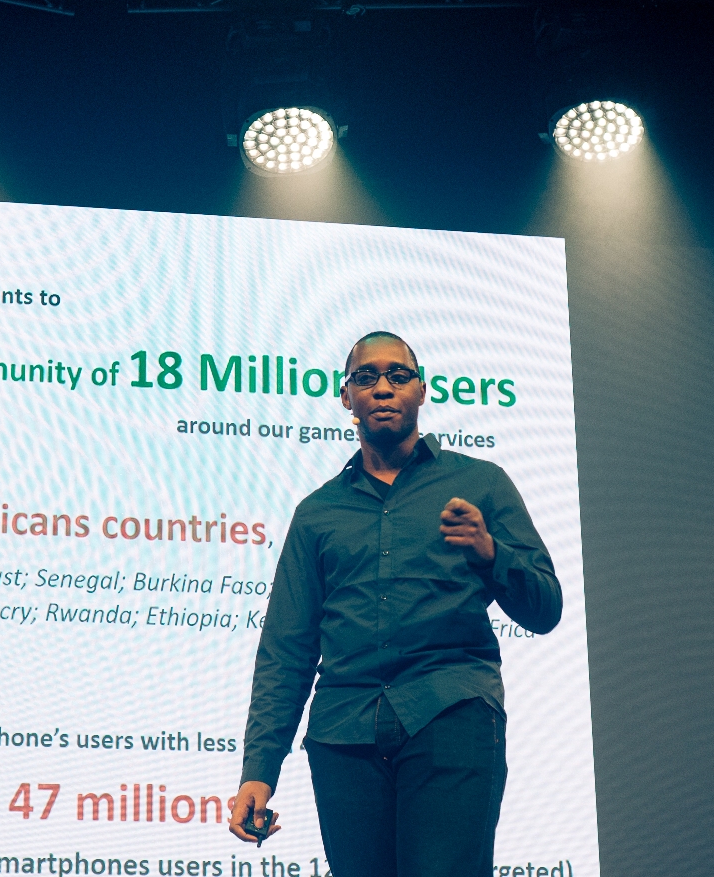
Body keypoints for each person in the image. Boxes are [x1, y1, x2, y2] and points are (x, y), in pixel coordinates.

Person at [228, 331, 563, 877]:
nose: (382, 388)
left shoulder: (481, 483)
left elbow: (545, 609)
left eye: (398, 375)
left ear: (422, 391)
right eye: (366, 377)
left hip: (450, 715)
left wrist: (490, 552)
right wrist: (259, 770)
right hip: (344, 737)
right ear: (346, 397)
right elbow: (286, 650)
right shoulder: (317, 513)